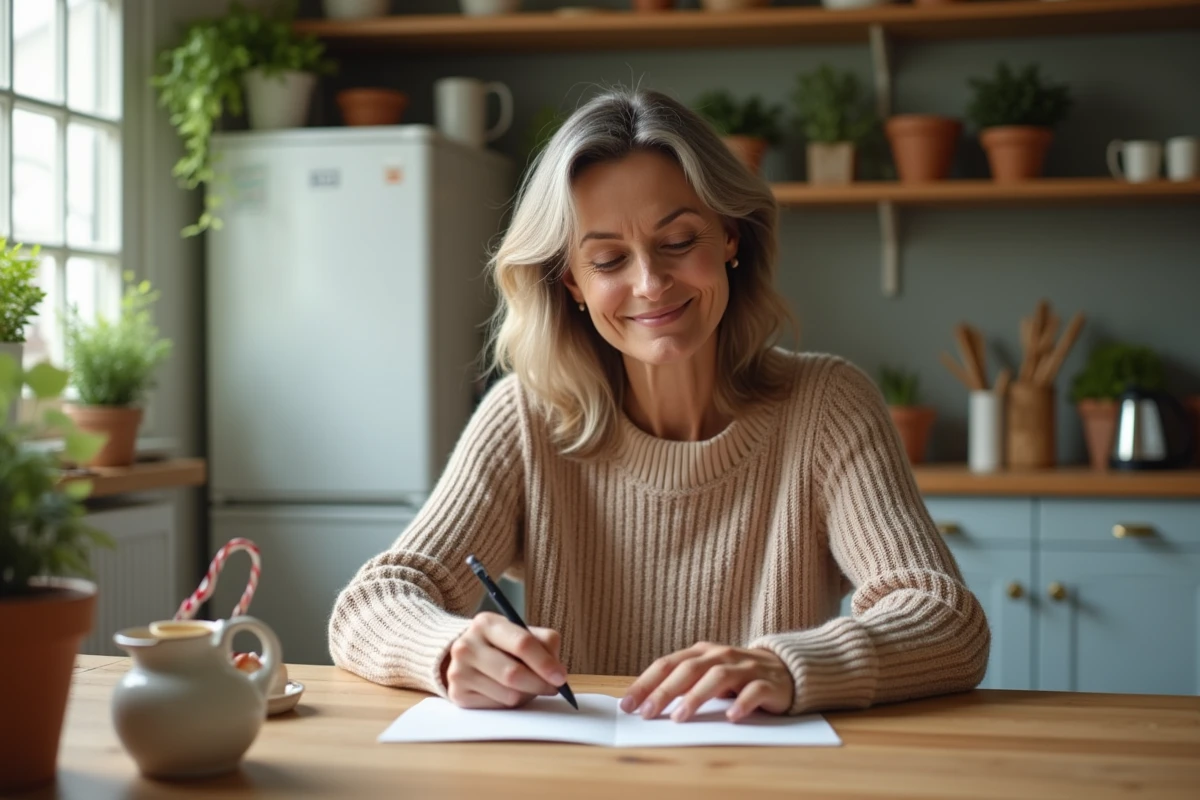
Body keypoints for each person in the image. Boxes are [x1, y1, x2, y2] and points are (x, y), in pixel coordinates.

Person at [329, 88, 989, 723]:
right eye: (609, 258)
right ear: (572, 284)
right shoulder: (528, 417)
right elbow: (369, 604)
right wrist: (446, 652)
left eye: (678, 242)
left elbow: (947, 623)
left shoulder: (827, 406)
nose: (650, 284)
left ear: (731, 237)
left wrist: (786, 666)